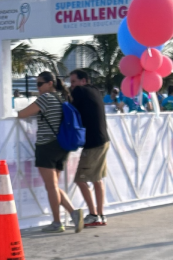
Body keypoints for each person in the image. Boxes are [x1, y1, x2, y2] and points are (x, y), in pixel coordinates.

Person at [16, 71, 76, 233]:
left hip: (46, 145)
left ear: (50, 83)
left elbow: (22, 114)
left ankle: (57, 222)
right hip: (62, 146)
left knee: (51, 187)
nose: (38, 88)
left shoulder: (46, 98)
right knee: (54, 186)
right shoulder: (62, 98)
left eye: (40, 84)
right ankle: (73, 213)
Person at [69, 68, 110, 229]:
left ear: (83, 81)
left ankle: (93, 215)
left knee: (80, 179)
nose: (72, 86)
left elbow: (68, 108)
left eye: (73, 82)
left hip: (92, 143)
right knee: (97, 179)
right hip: (103, 140)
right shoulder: (95, 91)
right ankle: (101, 214)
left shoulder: (80, 91)